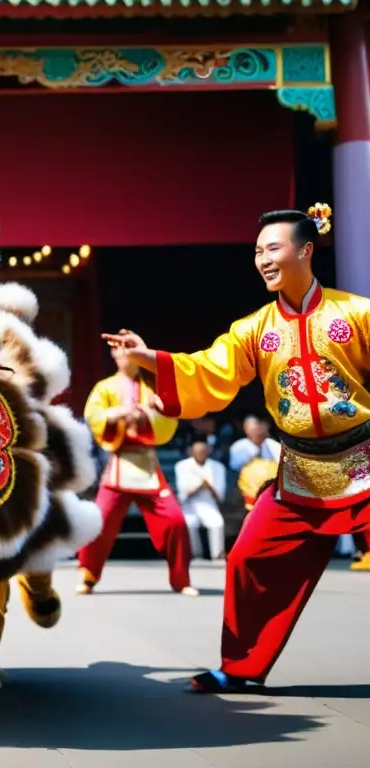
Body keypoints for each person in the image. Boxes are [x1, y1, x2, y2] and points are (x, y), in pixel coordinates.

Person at [103, 203, 370, 693]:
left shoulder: (356, 314)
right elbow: (209, 371)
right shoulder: (254, 329)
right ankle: (241, 666)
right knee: (248, 556)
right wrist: (148, 358)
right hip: (301, 471)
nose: (263, 259)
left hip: (365, 461)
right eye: (256, 251)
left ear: (305, 250)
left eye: (273, 248)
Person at [80, 346, 196, 596]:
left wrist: (145, 414)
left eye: (129, 352)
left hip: (147, 465)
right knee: (99, 519)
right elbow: (93, 415)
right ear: (114, 357)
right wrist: (114, 415)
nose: (124, 357)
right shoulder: (105, 387)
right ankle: (89, 575)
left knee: (175, 521)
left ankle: (181, 579)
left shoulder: (152, 385)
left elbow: (169, 415)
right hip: (119, 463)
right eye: (120, 353)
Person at [174, 438, 227, 560]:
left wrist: (209, 488)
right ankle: (194, 554)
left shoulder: (217, 467)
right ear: (191, 452)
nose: (200, 454)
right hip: (189, 504)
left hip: (208, 503)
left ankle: (217, 554)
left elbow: (219, 495)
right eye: (197, 451)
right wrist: (198, 486)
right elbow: (183, 491)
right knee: (190, 524)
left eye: (203, 451)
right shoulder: (182, 466)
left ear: (208, 451)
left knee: (217, 523)